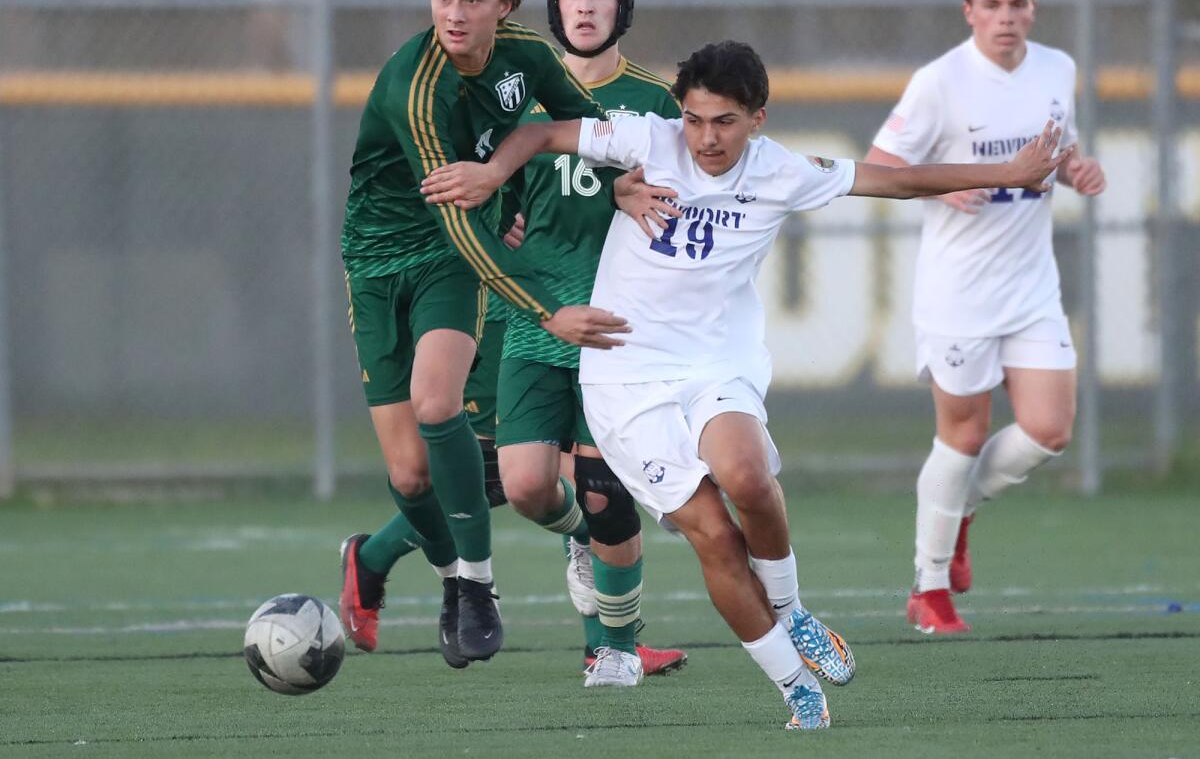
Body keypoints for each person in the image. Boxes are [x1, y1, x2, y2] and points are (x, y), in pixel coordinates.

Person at [421, 40, 1073, 728]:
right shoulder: (648, 139)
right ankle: (796, 686)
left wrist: (1012, 169)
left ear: (758, 118)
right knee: (714, 537)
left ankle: (792, 612)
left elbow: (897, 180)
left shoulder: (782, 172)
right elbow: (541, 131)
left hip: (715, 366)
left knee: (748, 475)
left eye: (725, 121)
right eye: (696, 120)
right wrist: (493, 174)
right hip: (626, 377)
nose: (707, 137)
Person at [337, 0, 630, 667]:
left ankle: (475, 585)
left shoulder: (526, 58)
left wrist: (630, 177)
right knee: (407, 474)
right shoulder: (418, 87)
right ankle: (402, 566)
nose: (454, 14)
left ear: (505, 4)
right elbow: (459, 209)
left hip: (447, 261)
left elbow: (588, 126)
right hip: (376, 263)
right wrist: (547, 311)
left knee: (441, 405)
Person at [863, 0, 1107, 634]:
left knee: (1050, 430)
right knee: (963, 433)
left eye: (1018, 4)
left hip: (1031, 285)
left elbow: (1059, 154)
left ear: (1034, 8)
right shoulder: (939, 82)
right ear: (968, 11)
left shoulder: (1057, 68)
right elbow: (881, 166)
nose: (1006, 18)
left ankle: (961, 510)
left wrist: (1078, 172)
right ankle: (929, 587)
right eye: (992, 5)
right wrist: (949, 179)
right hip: (958, 292)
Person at [497, 0, 687, 686]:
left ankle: (614, 648)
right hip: (534, 323)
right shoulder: (522, 96)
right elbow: (497, 202)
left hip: (615, 333)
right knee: (526, 489)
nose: (584, 7)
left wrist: (637, 200)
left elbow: (677, 209)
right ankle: (582, 538)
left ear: (623, 8)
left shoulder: (653, 103)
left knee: (606, 495)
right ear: (554, 6)